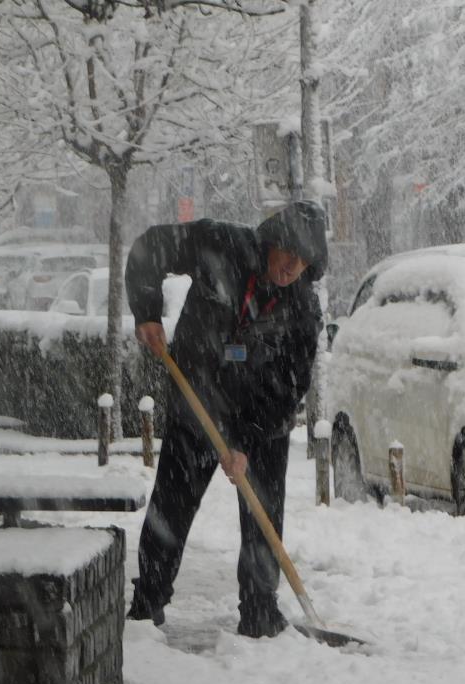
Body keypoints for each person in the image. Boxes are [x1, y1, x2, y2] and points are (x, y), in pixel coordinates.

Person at [125, 200, 328, 638]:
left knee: (263, 516)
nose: (291, 266)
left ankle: (260, 611)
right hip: (197, 403)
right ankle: (147, 605)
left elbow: (290, 387)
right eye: (287, 251)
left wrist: (246, 441)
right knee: (171, 509)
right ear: (271, 241)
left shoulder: (303, 310)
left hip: (262, 420)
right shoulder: (220, 245)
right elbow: (147, 249)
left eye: (303, 259)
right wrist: (147, 312)